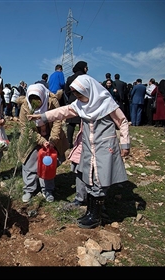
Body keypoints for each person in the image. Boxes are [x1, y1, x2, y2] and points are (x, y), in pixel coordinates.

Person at [27, 74, 130, 229]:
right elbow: (62, 112)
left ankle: (96, 216)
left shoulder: (107, 104)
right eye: (76, 96)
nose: (79, 98)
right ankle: (90, 212)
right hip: (89, 147)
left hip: (104, 146)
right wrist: (42, 116)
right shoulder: (80, 105)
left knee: (100, 179)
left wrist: (125, 144)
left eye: (80, 95)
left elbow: (122, 122)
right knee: (89, 176)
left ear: (89, 91)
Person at [18, 83, 68, 203]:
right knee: (29, 162)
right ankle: (29, 189)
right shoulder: (25, 106)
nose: (36, 104)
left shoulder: (52, 102)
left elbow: (57, 121)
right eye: (33, 101)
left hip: (51, 136)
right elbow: (25, 128)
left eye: (38, 100)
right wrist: (41, 140)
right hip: (31, 138)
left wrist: (52, 140)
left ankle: (47, 189)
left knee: (48, 163)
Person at [63, 61, 87, 149]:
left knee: (71, 123)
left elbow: (66, 91)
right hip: (83, 101)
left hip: (72, 101)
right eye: (86, 67)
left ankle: (69, 142)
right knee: (83, 123)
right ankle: (84, 143)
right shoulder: (85, 77)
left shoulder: (70, 78)